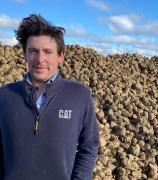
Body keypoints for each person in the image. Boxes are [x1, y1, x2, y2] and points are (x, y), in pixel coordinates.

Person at [0, 14, 99, 180]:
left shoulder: (79, 95)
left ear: (60, 56)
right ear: (24, 54)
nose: (40, 59)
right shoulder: (4, 96)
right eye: (33, 51)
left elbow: (89, 144)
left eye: (48, 52)